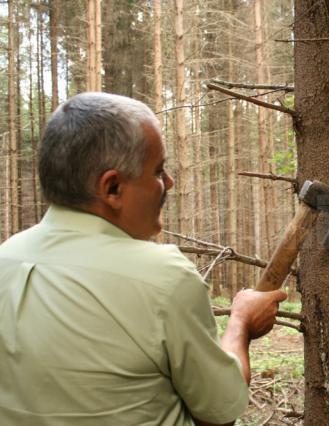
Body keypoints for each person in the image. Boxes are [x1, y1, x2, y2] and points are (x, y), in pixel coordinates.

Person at [0, 92, 287, 425]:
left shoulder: (5, 260)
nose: (169, 183)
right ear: (112, 189)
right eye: (158, 170)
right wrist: (240, 324)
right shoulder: (164, 279)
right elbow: (218, 414)